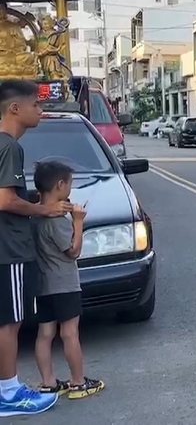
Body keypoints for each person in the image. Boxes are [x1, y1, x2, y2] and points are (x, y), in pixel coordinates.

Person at [0, 80, 71, 416]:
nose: (40, 111)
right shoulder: (9, 147)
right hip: (9, 250)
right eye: (36, 105)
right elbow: (5, 201)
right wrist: (45, 209)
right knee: (10, 323)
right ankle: (8, 393)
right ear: (15, 108)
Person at [32, 161, 104, 399]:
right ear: (60, 185)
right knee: (69, 333)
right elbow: (73, 251)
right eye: (70, 184)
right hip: (64, 283)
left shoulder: (34, 215)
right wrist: (78, 222)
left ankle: (48, 382)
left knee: (45, 334)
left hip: (43, 284)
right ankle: (78, 382)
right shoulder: (57, 220)